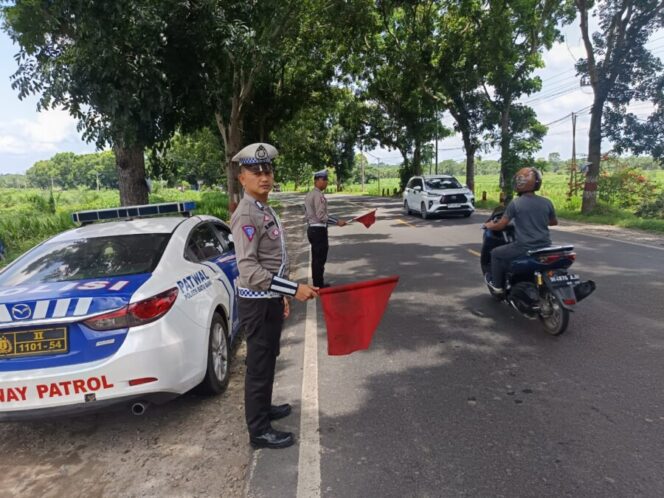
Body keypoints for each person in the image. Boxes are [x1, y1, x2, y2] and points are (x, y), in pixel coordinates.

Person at [230, 142, 319, 450]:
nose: (264, 177)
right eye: (255, 172)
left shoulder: (263, 207)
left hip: (267, 298)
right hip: (255, 302)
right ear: (242, 178)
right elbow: (250, 271)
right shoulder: (245, 215)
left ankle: (265, 410)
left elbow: (272, 260)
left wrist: (279, 295)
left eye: (267, 170)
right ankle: (258, 431)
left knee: (269, 359)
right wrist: (293, 290)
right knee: (258, 364)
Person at [483, 167, 558, 294]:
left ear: (519, 183)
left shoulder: (516, 203)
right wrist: (537, 220)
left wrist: (490, 225)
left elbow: (501, 225)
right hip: (545, 245)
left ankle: (497, 287)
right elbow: (553, 222)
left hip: (524, 246)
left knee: (495, 253)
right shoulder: (547, 202)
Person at [303, 169, 347, 287]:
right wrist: (337, 221)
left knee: (316, 258)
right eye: (325, 180)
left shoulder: (310, 194)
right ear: (319, 180)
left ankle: (317, 283)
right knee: (320, 259)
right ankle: (319, 285)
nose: (327, 183)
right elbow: (321, 216)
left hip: (312, 229)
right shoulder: (318, 195)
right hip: (318, 230)